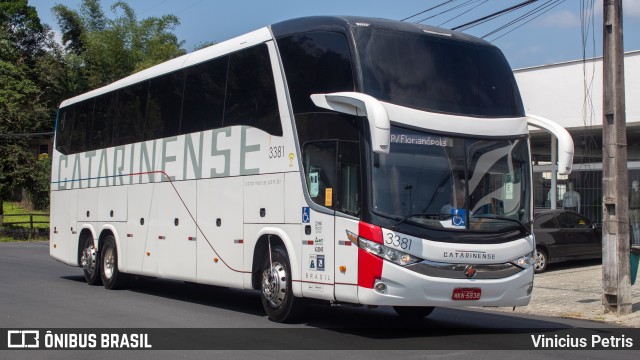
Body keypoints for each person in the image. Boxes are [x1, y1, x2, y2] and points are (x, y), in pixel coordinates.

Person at [630, 180, 640, 245]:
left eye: (633, 184)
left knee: (637, 227)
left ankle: (638, 242)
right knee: (633, 227)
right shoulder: (631, 193)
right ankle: (636, 242)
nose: (632, 185)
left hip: (637, 211)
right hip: (632, 211)